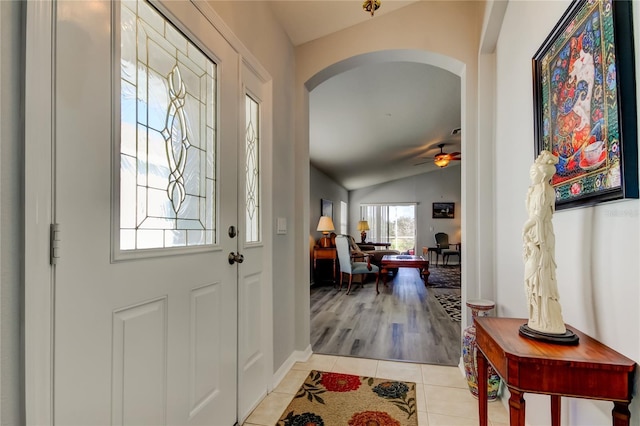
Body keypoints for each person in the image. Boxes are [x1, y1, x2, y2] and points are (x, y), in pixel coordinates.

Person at [522, 150, 567, 334]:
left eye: (534, 173)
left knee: (539, 277)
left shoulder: (544, 191)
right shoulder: (536, 190)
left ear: (542, 174)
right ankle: (538, 316)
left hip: (540, 236)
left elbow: (537, 217)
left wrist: (524, 230)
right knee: (532, 279)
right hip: (536, 238)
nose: (531, 176)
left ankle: (545, 319)